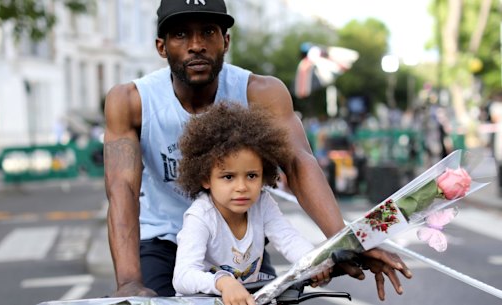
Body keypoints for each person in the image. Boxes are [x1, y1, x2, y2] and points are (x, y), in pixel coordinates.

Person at [103, 0, 412, 300]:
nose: (196, 44)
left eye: (208, 32)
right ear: (161, 46)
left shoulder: (261, 93)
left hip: (239, 240)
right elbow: (122, 189)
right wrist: (129, 281)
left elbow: (298, 164)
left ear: (225, 41)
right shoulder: (131, 101)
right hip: (164, 242)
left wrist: (349, 242)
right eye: (181, 34)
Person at [172, 103, 331, 305]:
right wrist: (223, 282)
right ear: (205, 179)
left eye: (251, 176)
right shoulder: (200, 216)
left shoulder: (262, 203)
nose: (242, 187)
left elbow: (288, 239)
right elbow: (183, 277)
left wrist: (313, 262)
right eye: (228, 177)